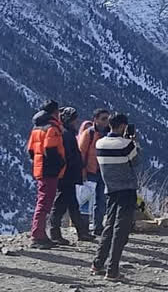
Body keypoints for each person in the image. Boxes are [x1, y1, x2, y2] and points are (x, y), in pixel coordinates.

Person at [91, 113, 139, 281]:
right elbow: (135, 161)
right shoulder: (126, 144)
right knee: (121, 230)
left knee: (109, 226)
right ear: (122, 126)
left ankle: (97, 263)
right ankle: (112, 270)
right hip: (126, 190)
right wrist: (133, 141)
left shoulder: (99, 143)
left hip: (110, 189)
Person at [50, 107, 94, 244]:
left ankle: (81, 232)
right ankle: (55, 233)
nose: (76, 122)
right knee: (60, 205)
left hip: (66, 174)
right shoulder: (67, 134)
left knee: (72, 204)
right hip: (67, 174)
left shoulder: (65, 133)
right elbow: (70, 156)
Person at [26, 100, 66, 249]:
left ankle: (39, 233)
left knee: (42, 200)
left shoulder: (36, 128)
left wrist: (38, 162)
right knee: (45, 202)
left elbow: (31, 151)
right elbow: (51, 150)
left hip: (40, 168)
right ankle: (38, 235)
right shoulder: (52, 128)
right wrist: (60, 164)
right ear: (54, 112)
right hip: (49, 170)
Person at [78, 108, 110, 235]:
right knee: (85, 201)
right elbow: (81, 153)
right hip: (90, 171)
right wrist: (82, 171)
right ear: (95, 119)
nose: (106, 122)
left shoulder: (109, 133)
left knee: (101, 200)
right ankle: (84, 228)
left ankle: (98, 227)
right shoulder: (88, 134)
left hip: (103, 172)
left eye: (107, 118)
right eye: (103, 119)